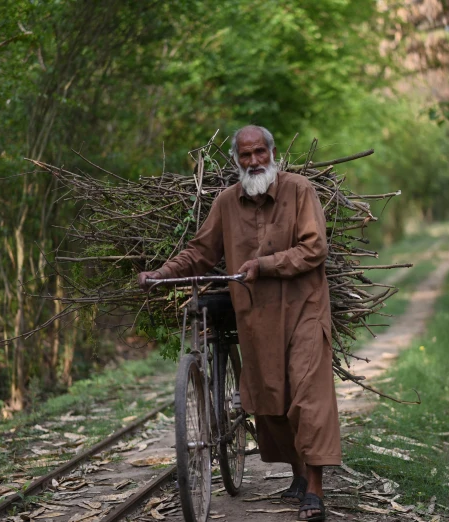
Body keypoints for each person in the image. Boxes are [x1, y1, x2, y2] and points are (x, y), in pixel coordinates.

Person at [138, 125, 340, 521]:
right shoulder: (227, 203)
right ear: (236, 160)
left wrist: (264, 265)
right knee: (270, 399)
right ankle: (298, 470)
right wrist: (160, 273)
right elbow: (200, 251)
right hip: (257, 316)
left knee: (307, 393)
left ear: (272, 152)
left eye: (259, 153)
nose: (253, 162)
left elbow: (314, 248)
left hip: (304, 308)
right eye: (245, 156)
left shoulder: (300, 191)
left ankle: (314, 490)